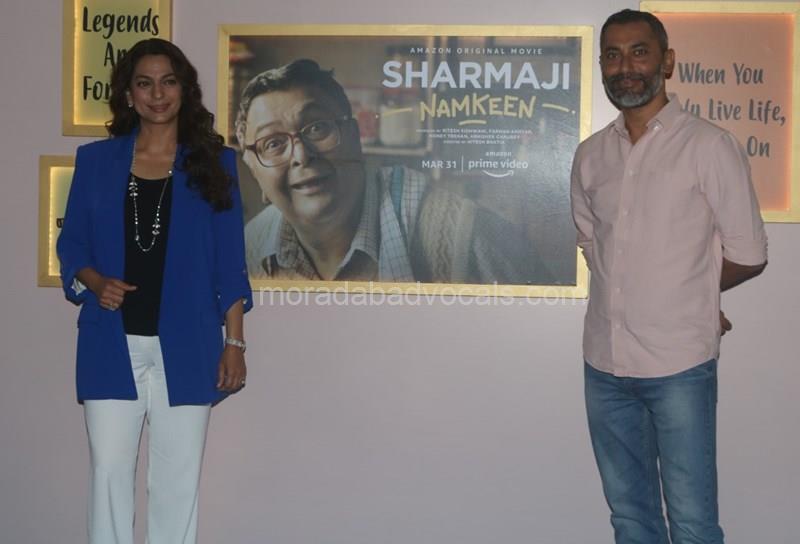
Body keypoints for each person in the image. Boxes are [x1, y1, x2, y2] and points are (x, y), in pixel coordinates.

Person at [570, 9, 767, 544]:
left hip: (678, 365)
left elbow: (750, 253)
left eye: (639, 52)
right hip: (603, 365)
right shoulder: (590, 157)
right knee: (630, 520)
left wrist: (691, 295)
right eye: (613, 55)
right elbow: (593, 246)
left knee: (693, 523)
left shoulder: (709, 146)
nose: (625, 67)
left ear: (667, 61)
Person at [57, 38, 252, 544]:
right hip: (109, 343)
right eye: (144, 83)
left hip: (188, 346)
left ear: (184, 89)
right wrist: (96, 282)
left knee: (176, 485)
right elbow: (72, 242)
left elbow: (230, 264)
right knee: (108, 476)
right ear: (128, 94)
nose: (157, 94)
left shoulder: (216, 164)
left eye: (168, 82)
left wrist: (234, 343)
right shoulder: (96, 161)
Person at [235, 59, 555, 285]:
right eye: (273, 144)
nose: (302, 156)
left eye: (317, 127)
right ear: (254, 171)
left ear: (355, 137)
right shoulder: (249, 250)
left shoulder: (465, 235)